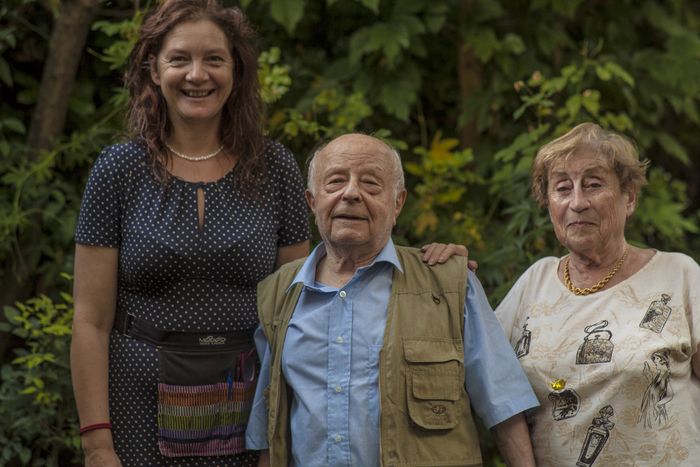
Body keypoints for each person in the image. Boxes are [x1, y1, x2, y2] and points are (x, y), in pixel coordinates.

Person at [69, 2, 311, 465]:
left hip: (249, 409)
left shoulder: (275, 168)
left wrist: (280, 435)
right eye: (179, 58)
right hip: (133, 406)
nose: (197, 74)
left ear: (236, 71)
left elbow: (296, 315)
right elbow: (90, 321)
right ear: (154, 71)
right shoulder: (117, 171)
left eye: (214, 59)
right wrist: (97, 444)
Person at [245, 133, 539, 466]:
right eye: (335, 182)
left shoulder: (448, 284)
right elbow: (268, 428)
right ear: (312, 202)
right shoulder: (278, 293)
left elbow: (504, 404)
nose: (351, 193)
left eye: (370, 184)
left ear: (398, 203)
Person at [495, 122, 700, 466]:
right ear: (549, 204)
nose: (577, 202)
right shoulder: (534, 282)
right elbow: (491, 388)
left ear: (629, 197)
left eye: (593, 184)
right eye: (562, 188)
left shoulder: (678, 275)